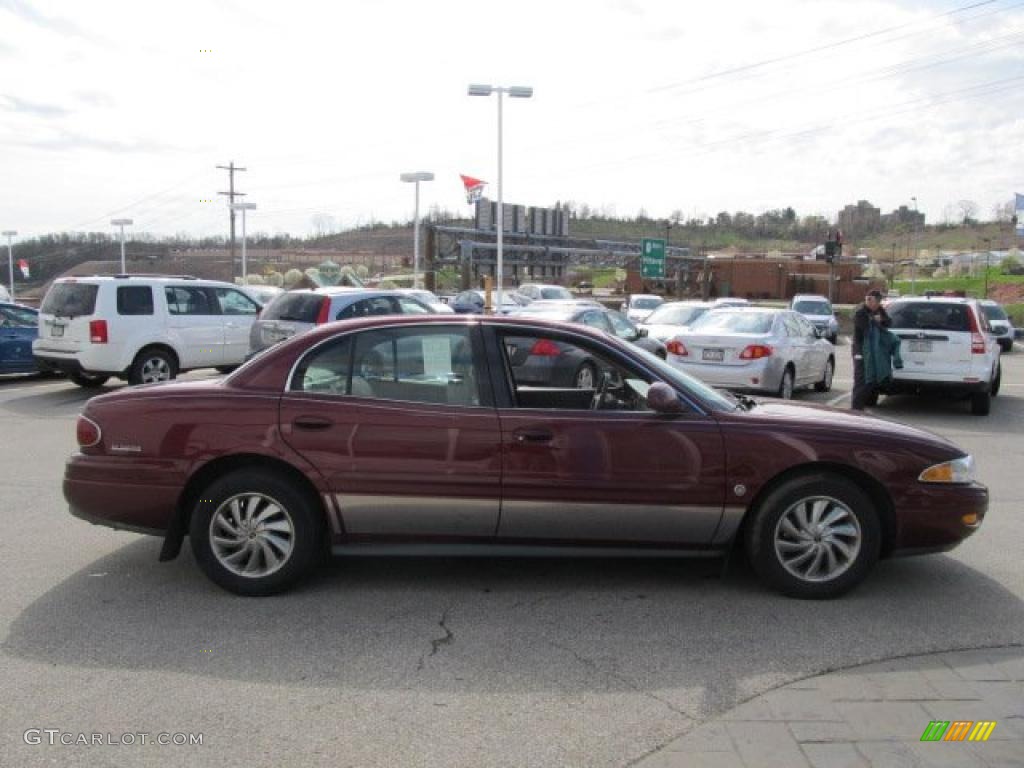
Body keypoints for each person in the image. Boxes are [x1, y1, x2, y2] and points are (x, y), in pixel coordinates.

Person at [851, 290, 891, 410]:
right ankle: (856, 408)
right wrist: (875, 320)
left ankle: (865, 403)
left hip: (874, 350)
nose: (870, 302)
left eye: (874, 301)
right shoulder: (860, 312)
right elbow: (866, 329)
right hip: (861, 349)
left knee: (872, 378)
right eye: (868, 299)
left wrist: (882, 320)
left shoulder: (879, 310)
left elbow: (889, 322)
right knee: (861, 378)